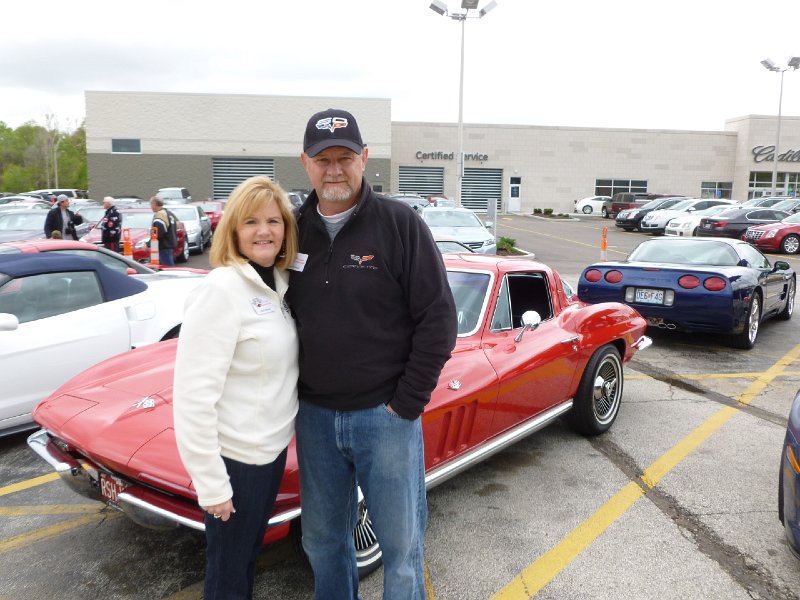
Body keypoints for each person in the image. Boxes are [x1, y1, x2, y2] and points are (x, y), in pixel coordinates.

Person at [287, 108, 457, 600]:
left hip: (384, 418)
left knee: (401, 549)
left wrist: (405, 403)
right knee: (323, 543)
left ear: (364, 158)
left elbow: (438, 319)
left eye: (344, 158)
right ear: (305, 163)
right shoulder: (291, 230)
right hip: (314, 418)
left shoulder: (399, 224)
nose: (334, 170)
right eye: (323, 159)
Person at [173, 175, 300, 600]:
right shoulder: (221, 290)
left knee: (246, 561)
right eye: (251, 222)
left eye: (273, 221)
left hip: (270, 455)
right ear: (233, 231)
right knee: (228, 573)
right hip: (236, 463)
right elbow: (193, 398)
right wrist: (211, 483)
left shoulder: (277, 284)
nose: (264, 231)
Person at [149, 196, 176, 266]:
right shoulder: (169, 213)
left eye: (151, 204)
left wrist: (149, 243)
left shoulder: (160, 214)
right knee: (168, 264)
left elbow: (158, 231)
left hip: (164, 245)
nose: (151, 207)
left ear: (154, 204)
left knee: (167, 267)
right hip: (169, 243)